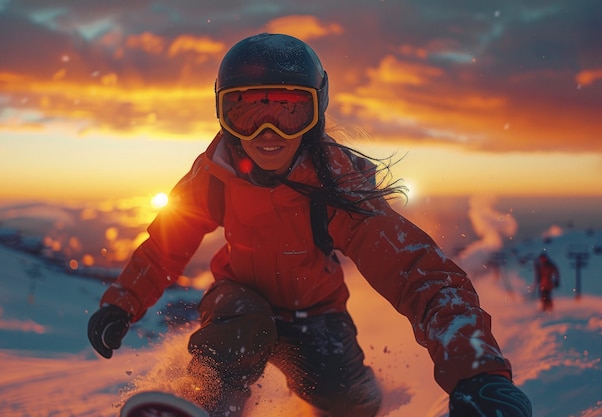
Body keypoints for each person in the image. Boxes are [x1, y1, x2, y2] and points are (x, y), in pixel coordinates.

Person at [88, 33, 532, 417]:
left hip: (316, 314)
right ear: (222, 116)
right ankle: (205, 402)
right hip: (239, 297)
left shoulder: (334, 189)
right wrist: (122, 302)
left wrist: (477, 374)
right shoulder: (215, 175)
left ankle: (355, 399)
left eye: (288, 112)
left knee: (348, 402)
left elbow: (418, 274)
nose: (267, 132)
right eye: (245, 112)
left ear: (316, 114)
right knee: (241, 328)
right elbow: (166, 242)